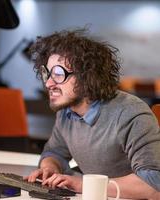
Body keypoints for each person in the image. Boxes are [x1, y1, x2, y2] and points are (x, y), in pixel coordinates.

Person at [25, 28, 160, 199]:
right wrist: (49, 168)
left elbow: (153, 182)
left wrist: (83, 185)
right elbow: (55, 152)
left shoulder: (131, 113)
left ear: (87, 77)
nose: (49, 83)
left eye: (59, 74)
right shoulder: (66, 113)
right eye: (47, 73)